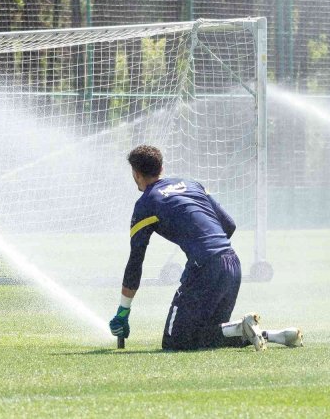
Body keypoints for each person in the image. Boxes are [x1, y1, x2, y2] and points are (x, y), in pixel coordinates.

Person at [109, 145, 303, 351]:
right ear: (162, 168)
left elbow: (135, 262)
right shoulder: (191, 184)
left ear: (136, 174)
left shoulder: (145, 204)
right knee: (207, 335)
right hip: (232, 263)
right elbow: (229, 224)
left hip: (205, 267)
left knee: (174, 342)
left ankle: (245, 328)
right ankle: (275, 335)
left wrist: (123, 311)